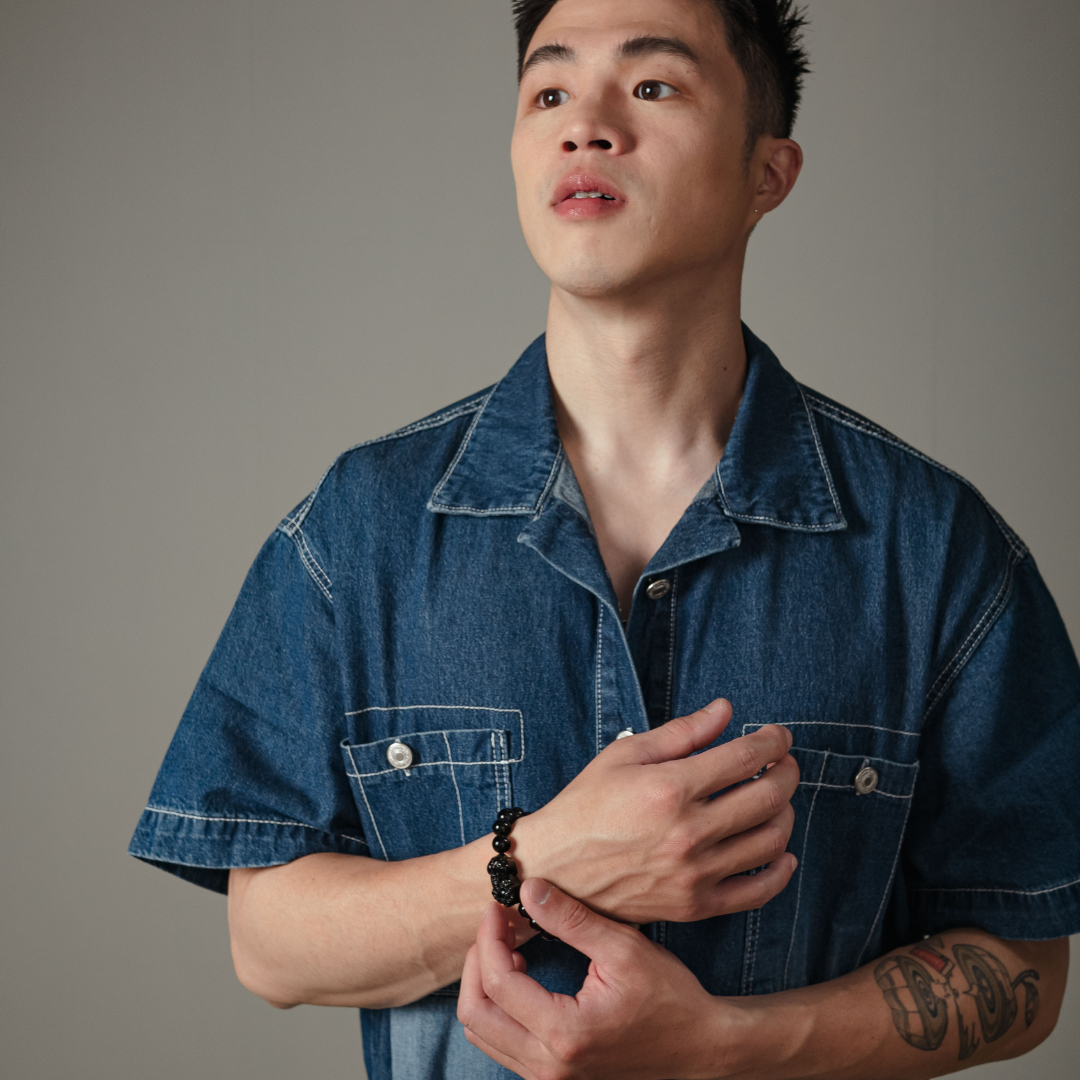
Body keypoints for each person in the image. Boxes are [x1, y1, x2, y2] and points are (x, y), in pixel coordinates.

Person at [129, 1, 1080, 1077]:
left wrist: (723, 1048)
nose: (585, 124)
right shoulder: (361, 529)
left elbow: (1024, 968)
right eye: (549, 92)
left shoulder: (933, 547)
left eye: (652, 85)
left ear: (768, 171)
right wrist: (547, 860)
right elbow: (267, 943)